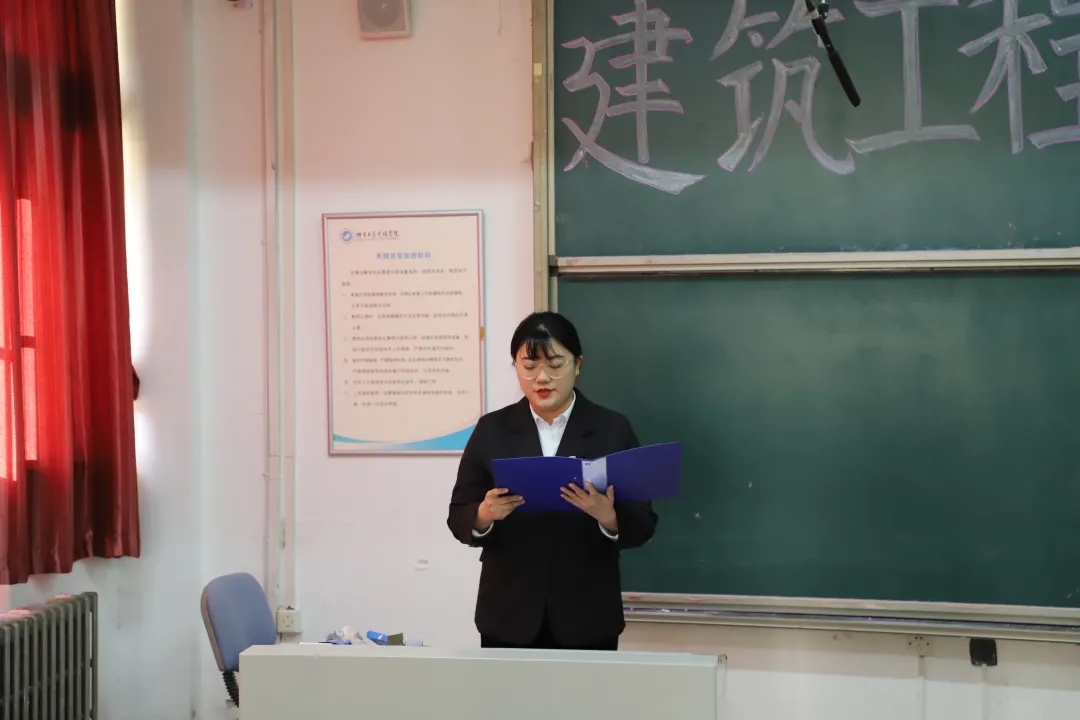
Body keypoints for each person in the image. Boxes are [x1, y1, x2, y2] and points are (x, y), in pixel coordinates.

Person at [446, 311, 658, 651]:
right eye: (529, 367)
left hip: (588, 614)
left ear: (578, 364)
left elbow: (644, 522)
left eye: (555, 365)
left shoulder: (612, 429)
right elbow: (458, 514)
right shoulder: (492, 430)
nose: (542, 378)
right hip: (508, 613)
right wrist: (484, 515)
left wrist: (609, 517)